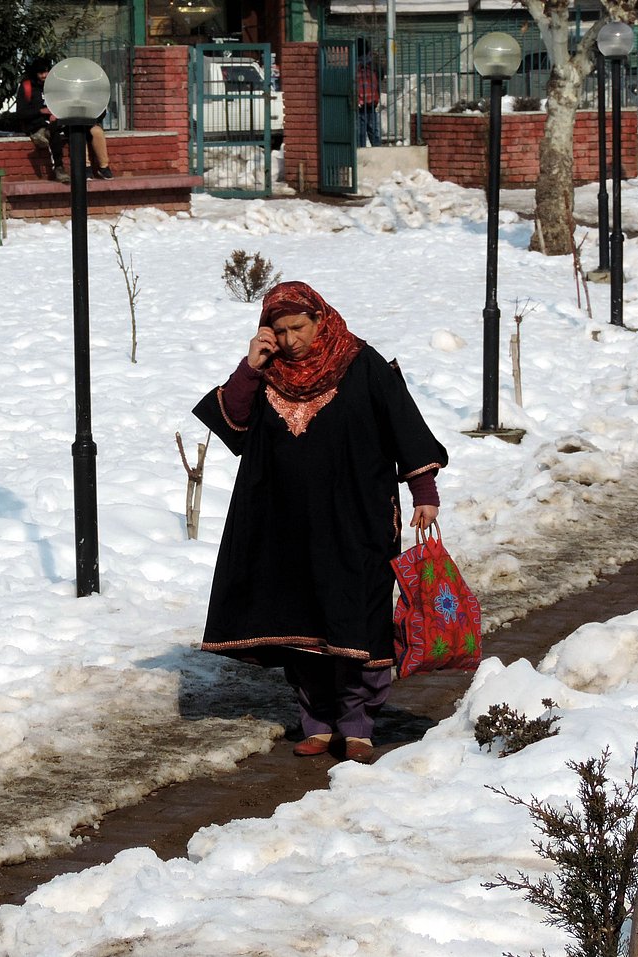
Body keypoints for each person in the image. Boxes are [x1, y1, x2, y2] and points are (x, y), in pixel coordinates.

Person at [192, 281, 448, 764]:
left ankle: (357, 725)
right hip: (283, 522)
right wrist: (251, 366)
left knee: (356, 621)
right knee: (300, 623)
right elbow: (234, 423)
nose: (290, 340)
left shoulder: (362, 363)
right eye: (279, 331)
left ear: (319, 319)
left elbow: (405, 425)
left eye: (298, 327)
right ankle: (317, 722)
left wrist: (424, 492)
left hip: (357, 520)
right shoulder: (267, 373)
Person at [15, 56, 114, 183]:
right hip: (43, 123)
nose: (44, 76)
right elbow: (21, 113)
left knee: (94, 132)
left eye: (46, 72)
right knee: (62, 134)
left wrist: (61, 113)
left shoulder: (59, 85)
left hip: (65, 120)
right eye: (41, 73)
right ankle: (74, 167)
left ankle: (103, 167)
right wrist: (42, 111)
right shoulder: (28, 87)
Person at [356, 43, 382, 148]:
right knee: (373, 133)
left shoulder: (354, 67)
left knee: (360, 135)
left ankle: (360, 153)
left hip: (360, 105)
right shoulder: (373, 66)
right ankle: (378, 152)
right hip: (371, 104)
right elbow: (380, 77)